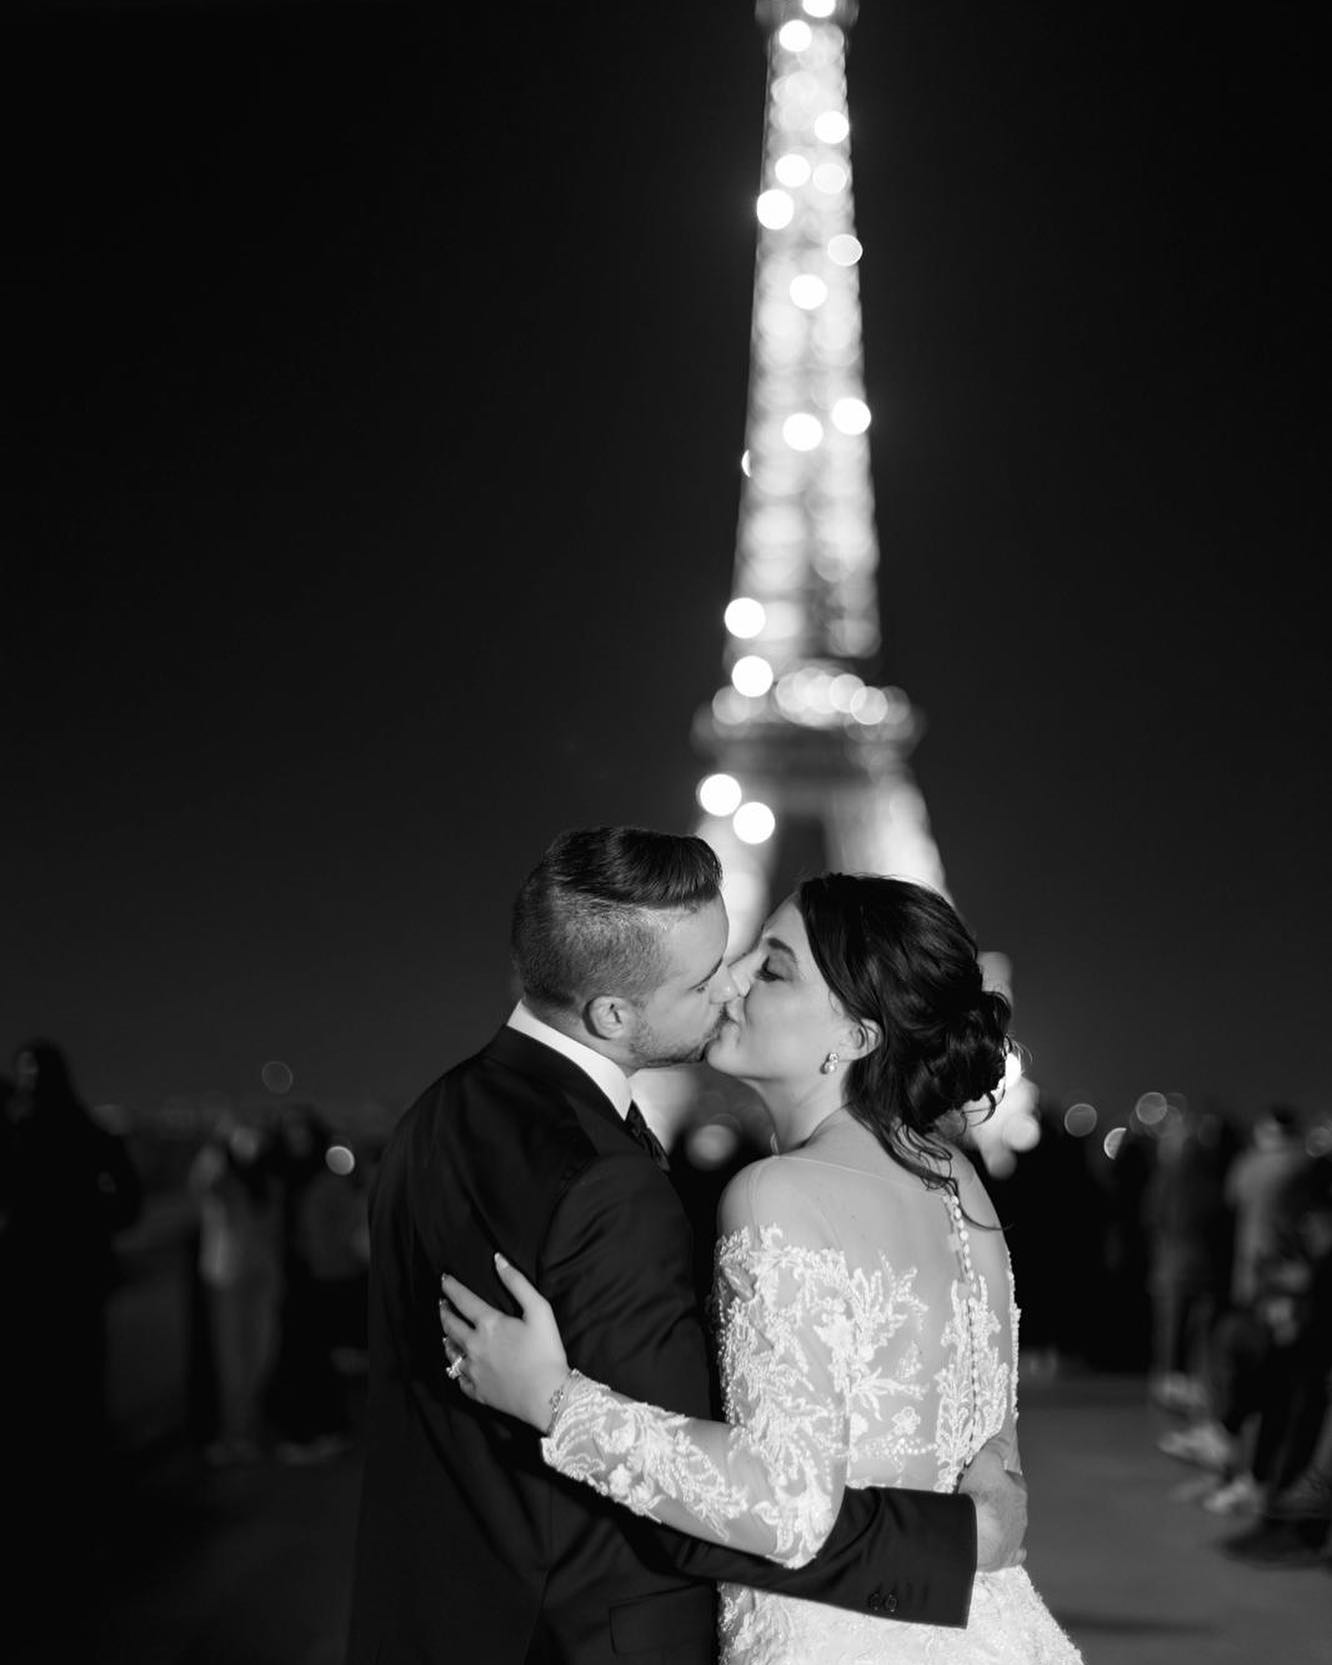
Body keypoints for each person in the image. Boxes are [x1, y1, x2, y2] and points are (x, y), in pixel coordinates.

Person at [345, 829, 1025, 1665]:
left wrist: (560, 1402)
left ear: (855, 1036)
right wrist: (960, 1542)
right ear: (613, 1012)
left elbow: (773, 1500)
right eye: (710, 974)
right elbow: (990, 1453)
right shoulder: (957, 1183)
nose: (731, 982)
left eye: (765, 966)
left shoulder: (428, 1121)